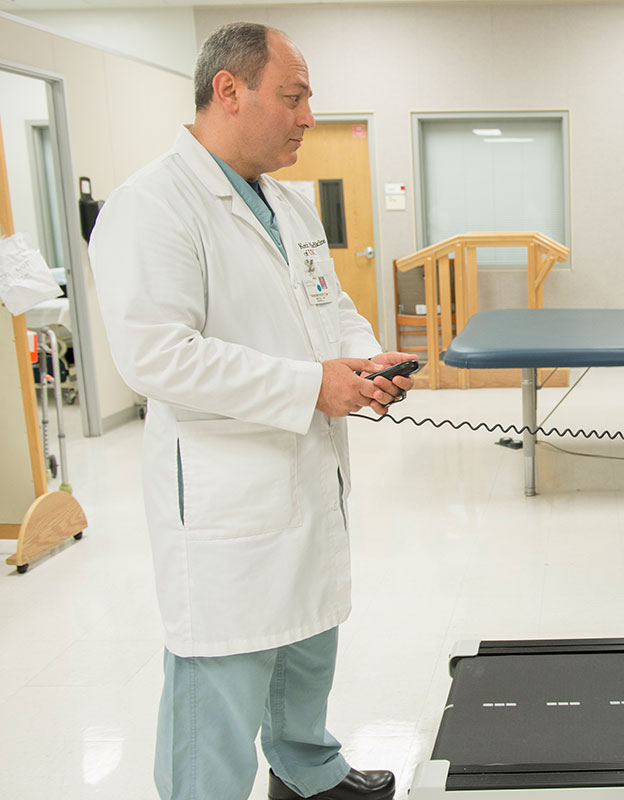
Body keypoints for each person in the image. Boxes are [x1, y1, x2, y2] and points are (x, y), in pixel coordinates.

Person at [89, 23, 410, 800]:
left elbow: (328, 312)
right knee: (223, 679)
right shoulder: (152, 205)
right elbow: (157, 357)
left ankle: (309, 772)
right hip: (225, 499)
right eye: (293, 98)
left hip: (304, 473)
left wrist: (365, 364)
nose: (306, 119)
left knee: (307, 645)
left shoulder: (292, 209)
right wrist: (310, 386)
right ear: (228, 91)